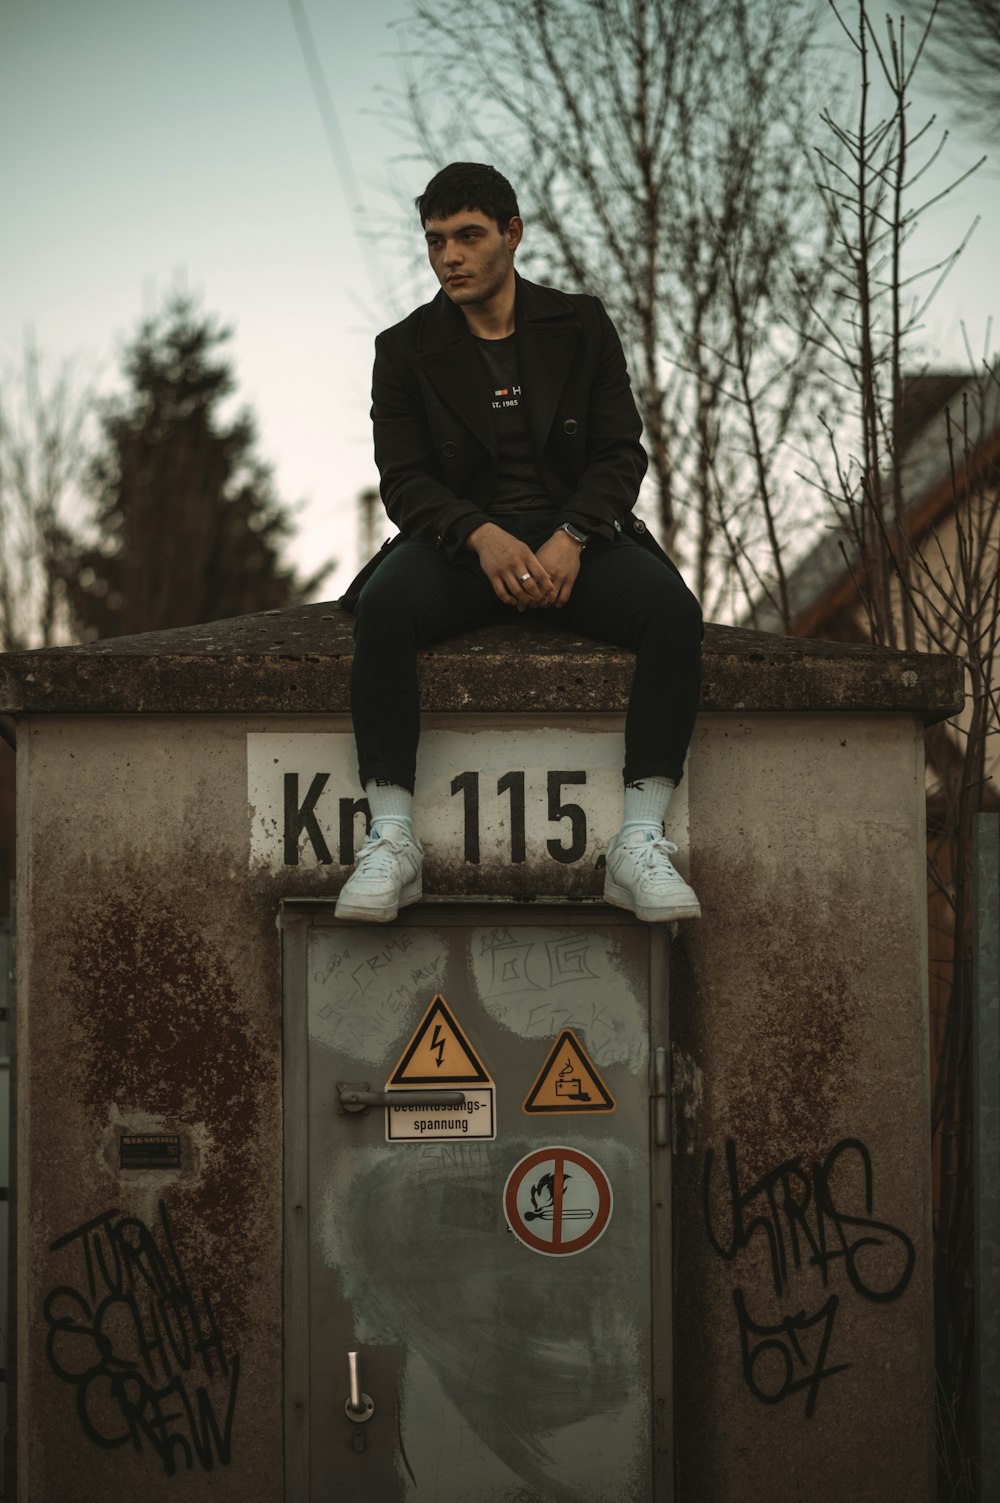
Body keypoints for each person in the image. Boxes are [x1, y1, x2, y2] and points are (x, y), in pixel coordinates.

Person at [337, 162, 702, 925]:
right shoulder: (404, 349)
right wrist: (479, 532)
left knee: (671, 610)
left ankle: (638, 843)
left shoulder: (581, 325)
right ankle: (392, 839)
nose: (449, 258)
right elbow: (403, 481)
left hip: (579, 544)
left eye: (468, 236)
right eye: (435, 241)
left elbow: (620, 452)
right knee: (385, 605)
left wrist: (573, 533)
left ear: (512, 233)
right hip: (462, 549)